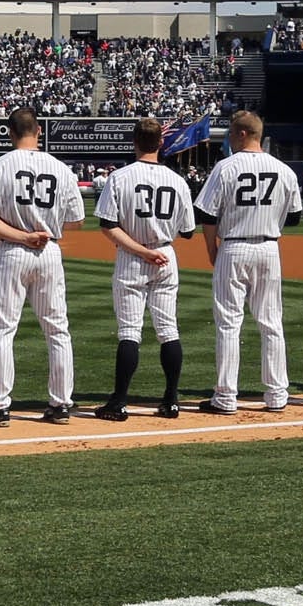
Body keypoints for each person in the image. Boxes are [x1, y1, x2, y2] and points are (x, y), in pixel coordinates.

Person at [0, 108, 85, 425]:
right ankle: (61, 404)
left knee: (3, 330)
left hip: (12, 250)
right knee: (57, 329)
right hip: (49, 250)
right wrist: (46, 228)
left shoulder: (0, 165)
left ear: (10, 132)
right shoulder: (60, 168)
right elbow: (76, 221)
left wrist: (22, 234)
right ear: (39, 131)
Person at [195, 110, 303, 414]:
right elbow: (295, 216)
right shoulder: (283, 169)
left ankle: (226, 397)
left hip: (234, 246)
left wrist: (212, 249)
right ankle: (277, 395)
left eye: (232, 132)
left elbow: (207, 215)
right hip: (268, 248)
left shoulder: (226, 167)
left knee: (229, 324)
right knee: (271, 323)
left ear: (243, 134)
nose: (230, 137)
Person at [91, 117, 194, 421]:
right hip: (165, 255)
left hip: (132, 256)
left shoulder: (119, 177)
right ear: (161, 143)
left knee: (129, 331)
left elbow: (108, 225)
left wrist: (141, 251)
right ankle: (171, 400)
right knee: (168, 329)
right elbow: (188, 231)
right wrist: (156, 245)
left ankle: (119, 401)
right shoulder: (177, 180)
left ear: (134, 141)